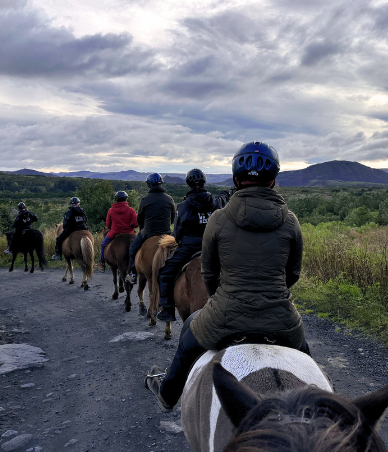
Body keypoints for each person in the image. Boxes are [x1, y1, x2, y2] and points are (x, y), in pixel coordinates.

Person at [144, 141, 306, 412]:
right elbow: (293, 273)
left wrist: (220, 295)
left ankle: (167, 395)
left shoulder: (219, 219)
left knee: (188, 337)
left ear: (234, 179)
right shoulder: (291, 221)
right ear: (274, 181)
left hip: (225, 316)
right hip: (280, 317)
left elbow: (209, 273)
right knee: (306, 357)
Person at [155, 169, 231, 322]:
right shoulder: (216, 202)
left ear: (188, 184)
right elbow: (224, 198)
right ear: (204, 182)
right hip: (214, 248)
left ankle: (167, 309)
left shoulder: (183, 207)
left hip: (189, 248)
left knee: (165, 272)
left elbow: (177, 235)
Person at [125, 173, 176, 284]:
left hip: (148, 232)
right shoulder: (169, 199)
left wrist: (143, 229)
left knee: (132, 249)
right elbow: (173, 218)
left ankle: (133, 274)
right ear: (161, 184)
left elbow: (139, 219)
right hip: (166, 233)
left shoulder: (145, 199)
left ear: (149, 185)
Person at [96, 191, 138, 272]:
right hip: (129, 232)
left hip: (114, 232)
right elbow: (136, 224)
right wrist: (130, 226)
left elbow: (108, 225)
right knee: (140, 244)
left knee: (103, 244)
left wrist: (114, 228)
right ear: (126, 199)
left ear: (116, 199)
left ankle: (102, 264)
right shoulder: (131, 210)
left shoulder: (111, 210)